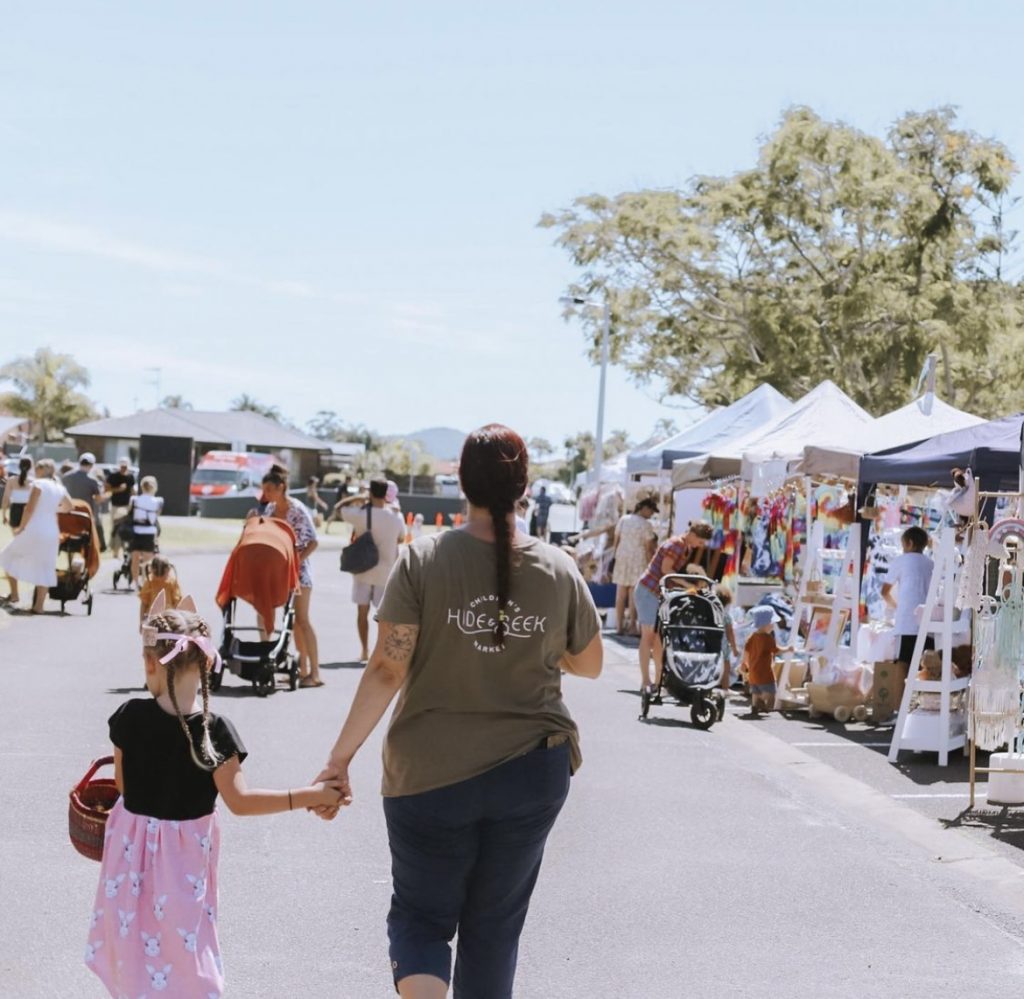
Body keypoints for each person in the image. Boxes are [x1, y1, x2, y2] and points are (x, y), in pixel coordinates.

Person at [313, 424, 603, 999]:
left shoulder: (422, 560)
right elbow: (589, 663)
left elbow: (386, 669)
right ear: (525, 487)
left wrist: (338, 760)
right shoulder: (558, 566)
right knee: (494, 931)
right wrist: (536, 646)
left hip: (428, 775)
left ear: (460, 484)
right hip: (531, 772)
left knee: (422, 920)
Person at [84, 599, 343, 999]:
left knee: (134, 943)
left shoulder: (128, 717)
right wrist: (310, 795)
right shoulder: (214, 732)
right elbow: (241, 802)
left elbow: (122, 784)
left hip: (129, 859)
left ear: (150, 662)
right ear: (206, 665)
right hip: (182, 865)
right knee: (184, 947)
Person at [249, 467, 323, 686]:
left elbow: (314, 541)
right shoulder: (270, 509)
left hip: (299, 573)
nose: (266, 494)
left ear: (281, 488)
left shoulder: (298, 509)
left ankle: (314, 673)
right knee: (274, 614)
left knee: (302, 620)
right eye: (264, 490)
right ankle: (280, 663)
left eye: (270, 489)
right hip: (277, 572)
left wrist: (296, 561)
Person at [633, 521, 714, 696]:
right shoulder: (677, 544)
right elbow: (666, 569)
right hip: (648, 591)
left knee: (658, 639)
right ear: (693, 534)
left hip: (655, 593)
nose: (700, 546)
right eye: (700, 542)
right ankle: (646, 681)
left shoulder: (685, 547)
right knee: (648, 637)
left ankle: (657, 681)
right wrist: (686, 585)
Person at [336, 479, 407, 662]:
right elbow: (401, 539)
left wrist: (358, 497)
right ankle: (380, 651)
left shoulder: (360, 514)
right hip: (386, 571)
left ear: (370, 493)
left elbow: (339, 508)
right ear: (386, 494)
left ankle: (365, 650)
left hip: (363, 569)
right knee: (384, 616)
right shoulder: (396, 516)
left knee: (362, 613)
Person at [0, 458, 72, 612]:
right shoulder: (58, 486)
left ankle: (14, 593)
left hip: (35, 528)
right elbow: (69, 506)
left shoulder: (38, 485)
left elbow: (29, 509)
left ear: (41, 470)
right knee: (46, 565)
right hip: (51, 529)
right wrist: (52, 510)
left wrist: (21, 527)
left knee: (7, 555)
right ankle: (39, 606)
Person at [881, 525, 934, 666]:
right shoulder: (930, 563)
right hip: (927, 623)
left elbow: (884, 592)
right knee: (925, 668)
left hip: (905, 622)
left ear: (909, 543)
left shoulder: (900, 561)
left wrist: (896, 606)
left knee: (903, 667)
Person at [611, 498, 659, 636]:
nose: (651, 515)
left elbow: (616, 540)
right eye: (651, 511)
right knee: (633, 594)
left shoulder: (624, 519)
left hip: (622, 557)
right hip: (638, 559)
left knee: (620, 594)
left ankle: (619, 626)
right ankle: (632, 626)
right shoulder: (646, 525)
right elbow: (648, 547)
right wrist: (652, 565)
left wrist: (615, 557)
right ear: (644, 508)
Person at [63, 452, 108, 552]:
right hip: (85, 515)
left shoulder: (66, 477)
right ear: (92, 465)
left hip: (68, 513)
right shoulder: (92, 480)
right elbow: (98, 499)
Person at [742, 605, 782, 715]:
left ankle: (755, 705)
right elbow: (776, 650)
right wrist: (789, 649)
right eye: (772, 623)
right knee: (771, 692)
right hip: (765, 672)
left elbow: (746, 652)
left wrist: (745, 664)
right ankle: (763, 702)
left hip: (753, 672)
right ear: (766, 624)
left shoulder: (752, 637)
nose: (773, 626)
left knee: (755, 691)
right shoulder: (768, 638)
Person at [128, 476, 164, 586]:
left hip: (136, 532)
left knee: (135, 559)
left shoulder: (134, 499)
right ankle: (146, 581)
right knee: (148, 560)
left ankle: (135, 582)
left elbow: (130, 512)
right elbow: (157, 514)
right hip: (149, 532)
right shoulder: (158, 501)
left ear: (142, 487)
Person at [105, 456, 135, 559]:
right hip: (115, 506)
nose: (124, 468)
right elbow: (107, 489)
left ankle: (124, 550)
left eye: (125, 466)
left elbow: (131, 491)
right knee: (115, 528)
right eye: (122, 466)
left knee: (126, 528)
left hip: (127, 506)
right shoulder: (113, 476)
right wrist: (119, 489)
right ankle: (115, 550)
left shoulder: (130, 477)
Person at [138, 555, 182, 622]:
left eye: (162, 574)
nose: (159, 578)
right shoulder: (149, 582)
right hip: (154, 617)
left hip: (168, 617)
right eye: (157, 574)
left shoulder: (172, 582)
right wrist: (141, 621)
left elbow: (177, 603)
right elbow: (144, 603)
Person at [715, 584, 741, 689]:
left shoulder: (711, 613)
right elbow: (730, 633)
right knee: (725, 668)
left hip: (712, 645)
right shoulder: (726, 616)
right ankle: (725, 689)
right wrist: (734, 649)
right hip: (724, 647)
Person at [2, 457, 33, 532]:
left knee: (16, 537)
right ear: (31, 467)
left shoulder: (11, 480)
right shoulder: (33, 481)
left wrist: (4, 515)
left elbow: (6, 498)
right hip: (29, 509)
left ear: (19, 466)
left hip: (15, 510)